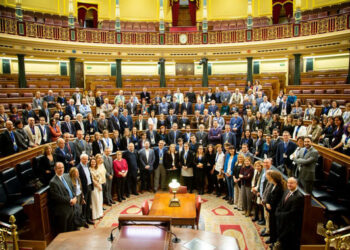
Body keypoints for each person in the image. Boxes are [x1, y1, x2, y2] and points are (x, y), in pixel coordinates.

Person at [275, 177, 304, 250]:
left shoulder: (299, 197)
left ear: (296, 184)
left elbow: (293, 213)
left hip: (290, 225)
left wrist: (280, 215)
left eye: (291, 183)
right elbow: (280, 203)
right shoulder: (286, 191)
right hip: (283, 221)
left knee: (287, 244)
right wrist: (277, 211)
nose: (289, 184)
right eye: (288, 183)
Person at [49, 162, 76, 233]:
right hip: (63, 210)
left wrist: (75, 197)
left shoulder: (67, 176)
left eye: (62, 167)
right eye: (59, 168)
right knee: (64, 231)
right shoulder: (53, 182)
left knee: (71, 229)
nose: (61, 169)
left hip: (71, 207)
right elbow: (57, 197)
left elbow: (72, 188)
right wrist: (70, 200)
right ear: (55, 169)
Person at [265, 170, 285, 248]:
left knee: (274, 226)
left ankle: (274, 241)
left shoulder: (280, 187)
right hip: (270, 208)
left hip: (275, 209)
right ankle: (272, 238)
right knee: (271, 225)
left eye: (271, 177)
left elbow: (277, 199)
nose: (269, 178)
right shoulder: (274, 185)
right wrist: (267, 202)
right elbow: (270, 195)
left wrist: (270, 205)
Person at [77, 154, 94, 225]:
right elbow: (78, 180)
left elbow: (89, 176)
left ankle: (88, 218)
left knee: (88, 204)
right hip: (84, 189)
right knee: (84, 206)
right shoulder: (78, 168)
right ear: (81, 159)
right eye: (84, 159)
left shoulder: (87, 166)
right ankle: (84, 221)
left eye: (87, 159)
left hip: (89, 186)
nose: (86, 160)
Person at [90, 155, 104, 220]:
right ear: (90, 163)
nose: (93, 163)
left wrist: (99, 183)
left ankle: (100, 213)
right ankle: (95, 215)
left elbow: (100, 176)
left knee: (100, 199)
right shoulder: (89, 169)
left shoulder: (96, 168)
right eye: (92, 162)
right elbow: (92, 179)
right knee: (95, 200)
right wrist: (97, 185)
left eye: (94, 162)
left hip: (99, 185)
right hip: (94, 187)